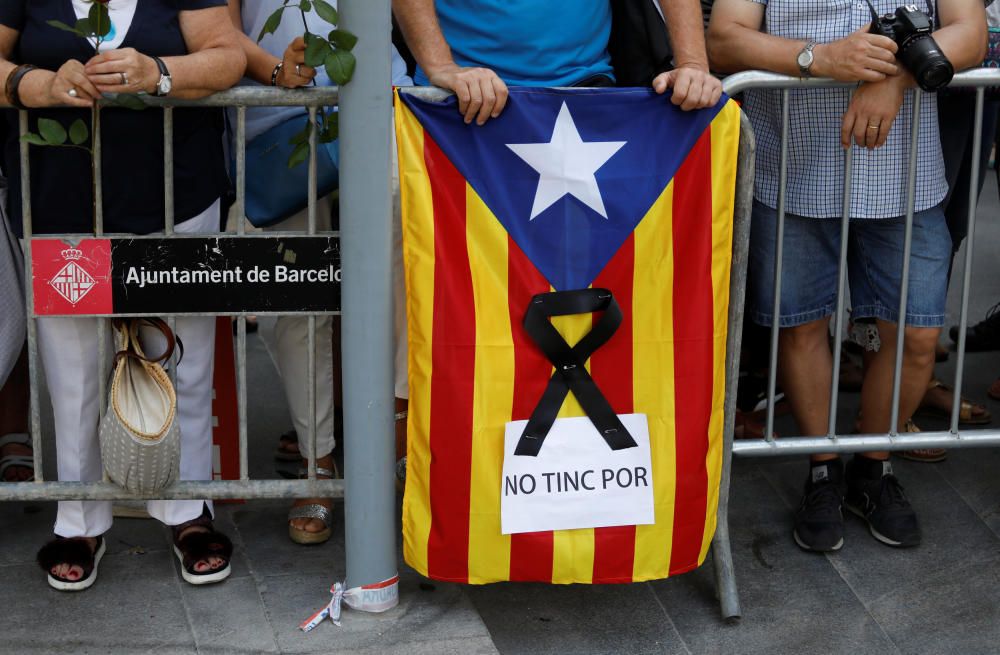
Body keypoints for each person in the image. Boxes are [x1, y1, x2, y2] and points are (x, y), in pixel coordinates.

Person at [707, 0, 986, 551]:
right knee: (801, 325)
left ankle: (873, 467)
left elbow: (970, 33)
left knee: (916, 335)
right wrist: (821, 58)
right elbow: (724, 39)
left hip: (906, 172)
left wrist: (898, 78)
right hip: (793, 164)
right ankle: (821, 469)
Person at [0, 0, 246, 590]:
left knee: (183, 358)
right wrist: (30, 83)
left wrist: (160, 72)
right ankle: (79, 517)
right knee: (73, 369)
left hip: (178, 193)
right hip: (57, 195)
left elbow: (227, 54)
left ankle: (187, 510)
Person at [227, 0, 412, 543]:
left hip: (383, 102)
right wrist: (275, 71)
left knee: (403, 286)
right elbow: (210, 23)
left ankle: (398, 456)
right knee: (298, 300)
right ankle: (317, 467)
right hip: (277, 118)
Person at [392, 0, 723, 125]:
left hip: (586, 94)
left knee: (582, 261)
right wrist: (442, 67)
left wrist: (693, 64)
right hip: (459, 103)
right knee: (457, 262)